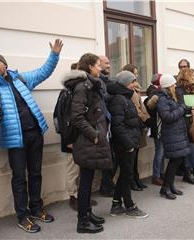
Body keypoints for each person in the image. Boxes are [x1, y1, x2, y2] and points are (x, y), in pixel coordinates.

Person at [0, 39, 63, 233]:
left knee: (36, 173)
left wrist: (54, 55)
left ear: (5, 64)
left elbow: (43, 72)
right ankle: (23, 216)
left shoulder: (22, 79)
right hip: (15, 140)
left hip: (35, 133)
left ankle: (36, 208)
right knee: (19, 178)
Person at [69, 53, 112, 234]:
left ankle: (88, 213)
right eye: (97, 65)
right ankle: (82, 222)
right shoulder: (82, 87)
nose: (100, 68)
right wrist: (93, 134)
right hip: (88, 140)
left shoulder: (93, 84)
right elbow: (77, 117)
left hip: (94, 139)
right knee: (85, 182)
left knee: (89, 178)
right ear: (89, 67)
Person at [107, 70, 148, 218]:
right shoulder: (119, 98)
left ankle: (116, 204)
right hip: (124, 144)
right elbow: (117, 126)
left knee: (125, 174)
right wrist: (129, 144)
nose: (135, 84)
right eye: (132, 82)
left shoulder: (126, 96)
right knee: (127, 175)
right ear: (125, 83)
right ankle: (130, 206)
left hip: (129, 141)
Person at [59, 62, 97, 211]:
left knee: (81, 170)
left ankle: (82, 197)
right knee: (72, 170)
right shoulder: (66, 93)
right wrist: (68, 140)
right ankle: (72, 197)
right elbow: (62, 118)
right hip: (71, 139)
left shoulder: (75, 91)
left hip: (79, 138)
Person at [156, 74, 194, 200]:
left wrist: (190, 109)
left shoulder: (171, 97)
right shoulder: (162, 99)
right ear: (168, 86)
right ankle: (165, 188)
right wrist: (181, 109)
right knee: (174, 161)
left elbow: (180, 109)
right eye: (173, 84)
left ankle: (170, 185)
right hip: (171, 133)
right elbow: (167, 117)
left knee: (177, 160)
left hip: (178, 132)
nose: (175, 86)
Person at [122, 64, 150, 191]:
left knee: (136, 153)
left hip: (138, 124)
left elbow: (141, 105)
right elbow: (135, 108)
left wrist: (146, 117)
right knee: (131, 156)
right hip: (134, 124)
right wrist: (145, 118)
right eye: (135, 73)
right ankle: (132, 180)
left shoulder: (136, 89)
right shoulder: (128, 91)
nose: (137, 76)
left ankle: (136, 178)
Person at [176, 68, 194, 184]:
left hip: (193, 121)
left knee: (193, 149)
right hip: (183, 123)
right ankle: (188, 174)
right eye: (193, 76)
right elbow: (180, 105)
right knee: (187, 150)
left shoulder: (193, 88)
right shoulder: (178, 90)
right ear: (186, 76)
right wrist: (191, 109)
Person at [98, 55, 116, 197]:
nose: (109, 65)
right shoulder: (98, 83)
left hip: (109, 125)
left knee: (111, 157)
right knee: (107, 158)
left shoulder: (108, 81)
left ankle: (108, 185)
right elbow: (103, 100)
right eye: (106, 63)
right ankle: (106, 187)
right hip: (101, 127)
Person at [145, 73, 165, 186]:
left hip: (161, 126)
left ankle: (160, 173)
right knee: (159, 151)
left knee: (162, 151)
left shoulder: (156, 91)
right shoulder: (154, 92)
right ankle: (156, 175)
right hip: (157, 126)